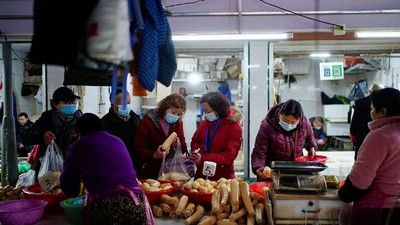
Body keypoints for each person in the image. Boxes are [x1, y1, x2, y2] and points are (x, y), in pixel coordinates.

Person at [60, 113, 154, 225]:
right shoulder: (117, 141)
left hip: (105, 207)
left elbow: (68, 181)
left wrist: (73, 193)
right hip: (135, 205)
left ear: (79, 133)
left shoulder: (79, 146)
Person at [338, 88, 400, 225]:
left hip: (381, 211)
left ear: (382, 112)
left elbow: (360, 181)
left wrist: (344, 194)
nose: (370, 113)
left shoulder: (380, 136)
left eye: (372, 109)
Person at [21, 87, 82, 177]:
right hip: (49, 170)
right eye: (66, 102)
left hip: (72, 168)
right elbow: (24, 137)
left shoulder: (79, 118)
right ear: (55, 104)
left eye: (73, 102)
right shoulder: (47, 118)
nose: (71, 105)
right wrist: (42, 136)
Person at [251, 99, 316, 180]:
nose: (288, 124)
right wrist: (258, 167)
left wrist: (311, 147)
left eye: (293, 123)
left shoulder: (304, 124)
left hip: (296, 171)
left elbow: (310, 138)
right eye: (285, 120)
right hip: (273, 171)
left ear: (299, 120)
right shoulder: (268, 125)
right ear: (280, 114)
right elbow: (259, 152)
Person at [190, 92, 243, 180]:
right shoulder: (205, 123)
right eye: (204, 111)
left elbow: (228, 157)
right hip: (201, 176)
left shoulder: (234, 127)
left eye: (208, 111)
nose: (206, 114)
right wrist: (195, 153)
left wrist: (203, 158)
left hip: (222, 177)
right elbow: (195, 140)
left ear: (218, 109)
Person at [133, 93, 187, 179]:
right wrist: (154, 155)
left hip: (170, 172)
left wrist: (177, 144)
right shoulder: (148, 122)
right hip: (150, 171)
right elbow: (138, 149)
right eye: (173, 112)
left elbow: (184, 147)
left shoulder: (178, 123)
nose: (176, 116)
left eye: (179, 114)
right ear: (165, 108)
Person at [101, 89, 140, 162]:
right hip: (114, 165)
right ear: (113, 105)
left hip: (134, 164)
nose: (127, 106)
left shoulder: (136, 120)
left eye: (129, 102)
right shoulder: (103, 124)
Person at [350, 83, 384, 160]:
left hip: (361, 138)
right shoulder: (385, 105)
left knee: (360, 161)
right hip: (380, 140)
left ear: (369, 91)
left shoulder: (360, 103)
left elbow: (354, 123)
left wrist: (353, 137)